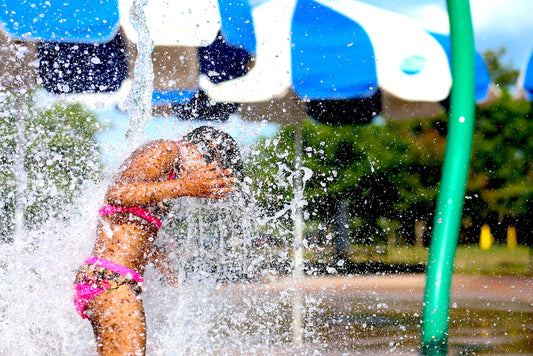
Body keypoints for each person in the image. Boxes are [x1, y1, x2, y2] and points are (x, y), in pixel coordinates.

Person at [73, 126, 243, 356]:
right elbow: (117, 192)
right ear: (210, 150)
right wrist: (185, 186)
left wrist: (160, 255)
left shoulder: (170, 177)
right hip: (111, 280)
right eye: (213, 173)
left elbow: (131, 224)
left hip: (114, 280)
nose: (208, 183)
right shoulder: (166, 149)